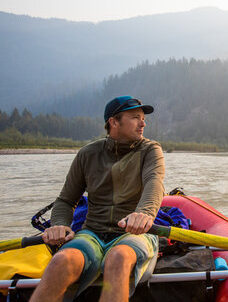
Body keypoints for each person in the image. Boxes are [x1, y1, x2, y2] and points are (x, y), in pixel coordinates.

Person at [30, 96, 165, 302]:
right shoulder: (87, 154)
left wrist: (145, 213)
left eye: (143, 118)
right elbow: (66, 200)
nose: (143, 123)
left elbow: (154, 182)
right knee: (61, 261)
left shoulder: (150, 150)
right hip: (91, 233)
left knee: (118, 258)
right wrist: (59, 225)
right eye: (136, 118)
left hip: (134, 233)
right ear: (114, 122)